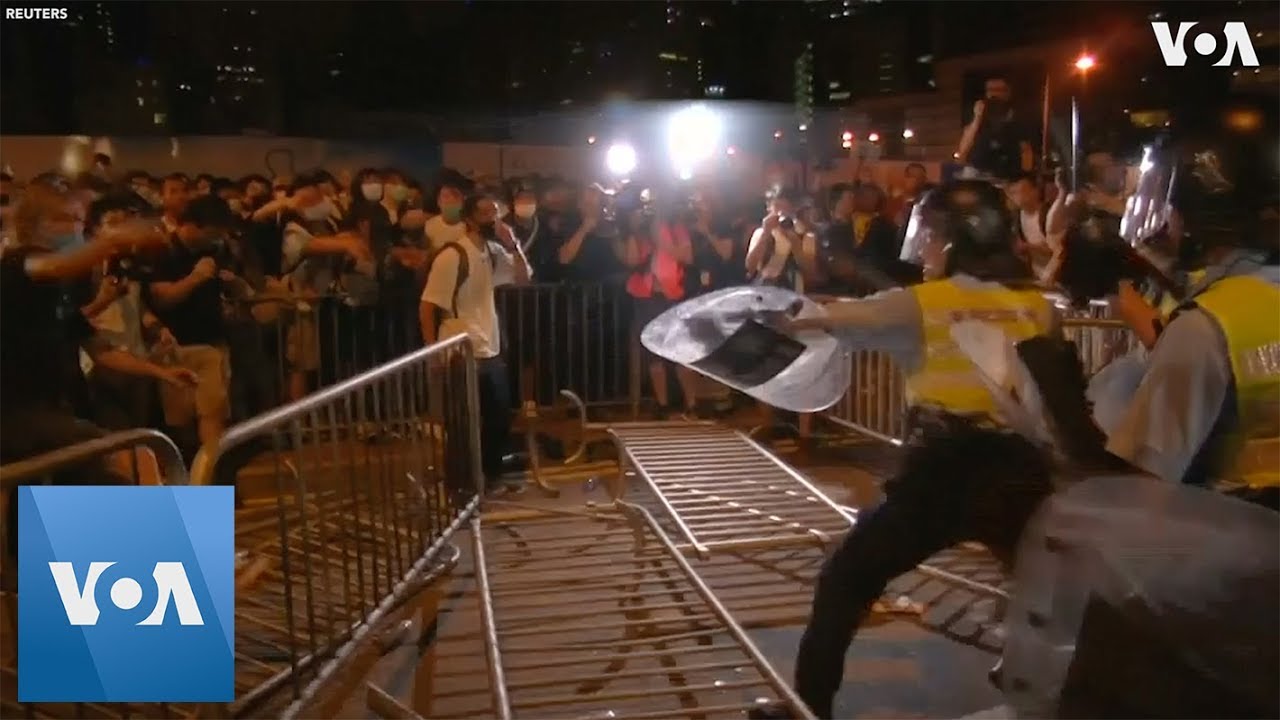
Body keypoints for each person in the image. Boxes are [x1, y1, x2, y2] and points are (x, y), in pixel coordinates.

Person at [749, 180, 1064, 720]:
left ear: (953, 241)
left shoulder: (921, 304)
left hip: (940, 475)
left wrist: (768, 314)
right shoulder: (1037, 307)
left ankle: (809, 708)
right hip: (1020, 471)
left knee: (846, 580)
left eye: (932, 237)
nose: (924, 249)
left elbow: (831, 321)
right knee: (1051, 594)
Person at [2, 183, 196, 551]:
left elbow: (101, 349)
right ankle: (176, 557)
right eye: (67, 220)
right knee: (131, 455)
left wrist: (162, 372)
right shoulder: (16, 266)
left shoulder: (56, 292)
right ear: (36, 224)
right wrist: (113, 240)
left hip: (54, 410)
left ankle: (39, 582)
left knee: (60, 499)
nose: (77, 229)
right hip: (16, 415)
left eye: (79, 220)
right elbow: (54, 262)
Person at [1089, 138, 1280, 506]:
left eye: (1172, 206)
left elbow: (1148, 482)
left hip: (1233, 546)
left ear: (1200, 216)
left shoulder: (1208, 326)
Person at [419, 193, 528, 494]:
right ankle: (462, 486)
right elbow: (428, 306)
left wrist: (513, 244)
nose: (493, 219)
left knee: (497, 418)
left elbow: (522, 277)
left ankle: (490, 477)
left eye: (495, 213)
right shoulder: (453, 256)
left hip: (489, 348)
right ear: (468, 219)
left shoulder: (492, 251)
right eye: (485, 214)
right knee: (463, 425)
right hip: (459, 351)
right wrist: (433, 353)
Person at [956, 75, 1035, 182]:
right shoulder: (976, 118)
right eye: (990, 90)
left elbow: (1026, 151)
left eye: (998, 90)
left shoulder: (1018, 119)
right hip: (977, 175)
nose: (994, 94)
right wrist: (977, 118)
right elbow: (962, 154)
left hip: (1005, 176)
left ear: (1007, 93)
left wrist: (1025, 177)